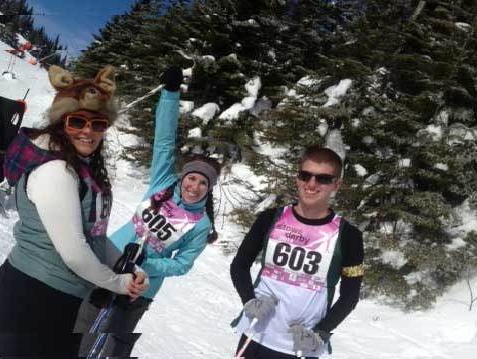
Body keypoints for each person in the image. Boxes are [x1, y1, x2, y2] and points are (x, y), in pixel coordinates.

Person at [0, 65, 148, 358]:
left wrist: (130, 268)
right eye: (77, 121)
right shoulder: (55, 171)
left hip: (59, 301)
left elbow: (93, 236)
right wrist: (118, 282)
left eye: (98, 124)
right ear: (60, 123)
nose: (87, 131)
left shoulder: (83, 170)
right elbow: (75, 253)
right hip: (30, 298)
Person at [75, 66, 222, 357]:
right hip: (107, 261)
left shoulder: (201, 223)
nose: (195, 186)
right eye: (192, 178)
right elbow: (165, 141)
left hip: (141, 286)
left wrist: (148, 265)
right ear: (183, 177)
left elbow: (182, 264)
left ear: (209, 189)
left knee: (114, 345)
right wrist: (169, 95)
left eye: (203, 183)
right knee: (79, 326)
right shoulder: (163, 182)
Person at [230, 146, 364, 359]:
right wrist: (249, 301)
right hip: (255, 335)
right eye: (306, 175)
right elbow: (239, 265)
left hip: (301, 347)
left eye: (323, 179)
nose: (311, 184)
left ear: (336, 184)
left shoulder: (349, 236)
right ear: (297, 178)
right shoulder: (270, 218)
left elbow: (349, 296)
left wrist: (321, 333)